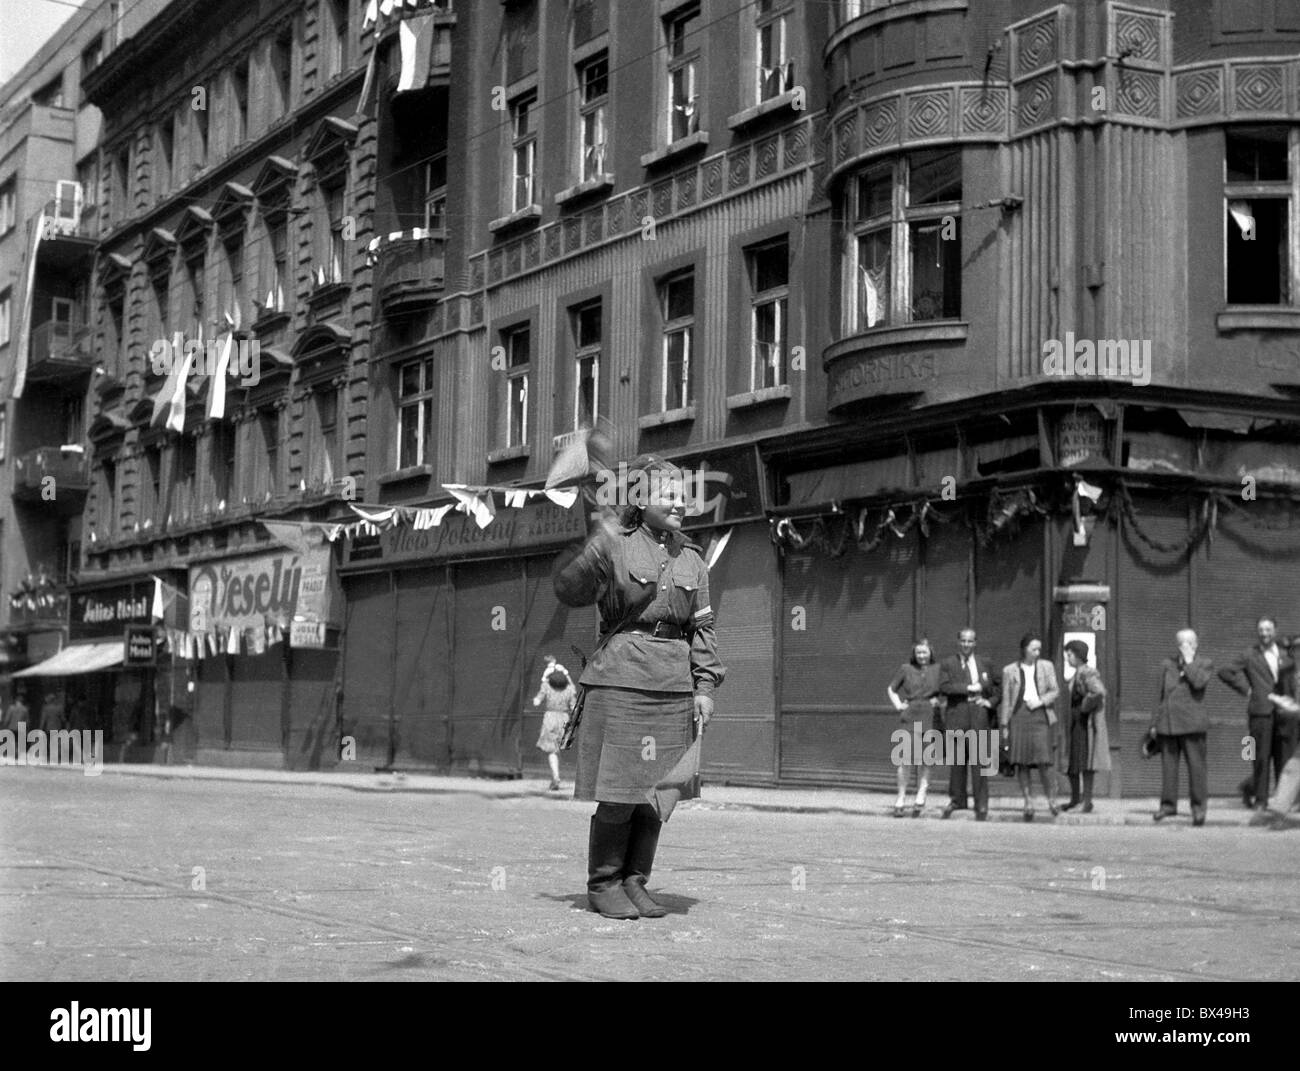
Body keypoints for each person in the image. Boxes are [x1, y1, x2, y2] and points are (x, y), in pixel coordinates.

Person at [553, 454, 725, 920]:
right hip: (622, 680)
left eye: (683, 496)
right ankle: (603, 882)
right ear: (640, 500)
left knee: (657, 794)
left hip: (673, 685)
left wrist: (705, 686)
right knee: (620, 788)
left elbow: (703, 629)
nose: (680, 504)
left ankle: (635, 881)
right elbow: (568, 590)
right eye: (668, 495)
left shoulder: (692, 558)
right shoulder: (615, 545)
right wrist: (594, 547)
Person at [1218, 616, 1297, 810]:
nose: (1264, 633)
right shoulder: (1249, 655)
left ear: (1275, 631)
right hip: (1260, 713)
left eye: (1268, 629)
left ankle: (1281, 800)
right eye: (1261, 630)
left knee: (1283, 757)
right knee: (1259, 756)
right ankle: (1260, 800)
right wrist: (1247, 690)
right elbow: (1225, 671)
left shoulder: (1287, 656)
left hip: (1284, 715)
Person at [1149, 629, 1214, 825]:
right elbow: (1159, 696)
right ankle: (1168, 805)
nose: (1185, 646)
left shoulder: (1205, 664)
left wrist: (1188, 662)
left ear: (1196, 644)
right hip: (1168, 723)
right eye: (1181, 643)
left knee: (1196, 768)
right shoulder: (1167, 665)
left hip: (1192, 724)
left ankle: (1198, 808)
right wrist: (1154, 723)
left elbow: (1199, 683)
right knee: (1168, 768)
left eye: (1189, 643)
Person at [936, 629, 999, 820]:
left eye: (970, 641)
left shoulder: (985, 663)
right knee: (957, 763)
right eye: (963, 641)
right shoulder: (948, 663)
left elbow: (998, 686)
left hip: (979, 718)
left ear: (975, 643)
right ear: (958, 642)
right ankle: (957, 800)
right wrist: (968, 688)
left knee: (979, 763)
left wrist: (991, 702)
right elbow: (944, 687)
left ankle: (981, 803)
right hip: (957, 717)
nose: (966, 644)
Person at [999, 633, 1061, 820]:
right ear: (1024, 649)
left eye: (1039, 649)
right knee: (1022, 761)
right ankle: (1028, 801)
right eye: (1033, 649)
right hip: (1019, 716)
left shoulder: (1046, 666)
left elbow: (1055, 690)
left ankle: (1052, 799)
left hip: (1040, 714)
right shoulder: (1010, 670)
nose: (1037, 652)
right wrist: (1004, 725)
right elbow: (1007, 698)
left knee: (1044, 760)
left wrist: (1041, 701)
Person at [887, 639, 942, 817]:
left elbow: (946, 690)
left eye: (925, 652)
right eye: (918, 653)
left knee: (927, 759)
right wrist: (898, 705)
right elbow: (892, 688)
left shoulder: (938, 669)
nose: (922, 656)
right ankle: (901, 798)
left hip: (930, 716)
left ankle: (921, 795)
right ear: (914, 654)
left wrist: (940, 701)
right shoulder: (906, 669)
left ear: (930, 653)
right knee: (905, 759)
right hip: (910, 716)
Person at [1061, 640, 1109, 813]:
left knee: (1085, 763)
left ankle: (1086, 801)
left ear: (1079, 655)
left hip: (1084, 725)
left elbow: (1099, 691)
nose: (1067, 657)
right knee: (1074, 763)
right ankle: (1075, 799)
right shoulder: (1077, 673)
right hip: (1076, 724)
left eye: (1070, 654)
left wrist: (1084, 706)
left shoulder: (1087, 673)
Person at [533, 659, 575, 791]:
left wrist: (547, 673)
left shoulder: (547, 686)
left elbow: (537, 701)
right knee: (557, 749)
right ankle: (554, 778)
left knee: (552, 750)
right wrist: (565, 673)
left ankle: (555, 776)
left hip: (550, 718)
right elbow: (573, 705)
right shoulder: (569, 688)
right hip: (564, 719)